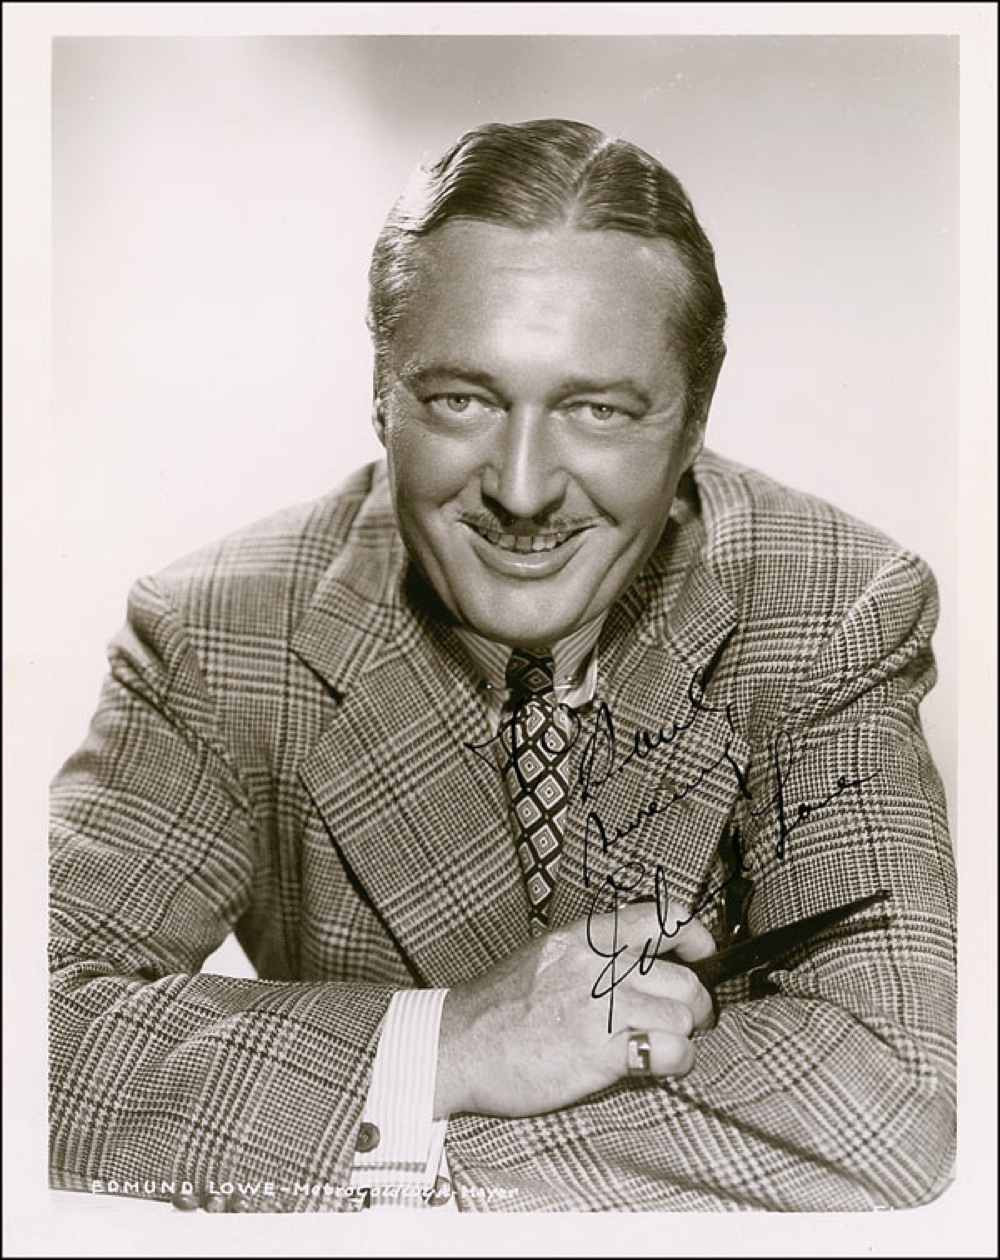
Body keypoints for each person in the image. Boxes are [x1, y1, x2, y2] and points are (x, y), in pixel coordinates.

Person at [49, 118, 956, 1214]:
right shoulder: (219, 633)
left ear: (693, 422)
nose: (523, 491)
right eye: (461, 400)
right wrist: (446, 1045)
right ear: (379, 393)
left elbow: (883, 1100)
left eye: (597, 410)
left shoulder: (830, 609)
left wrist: (387, 1141)